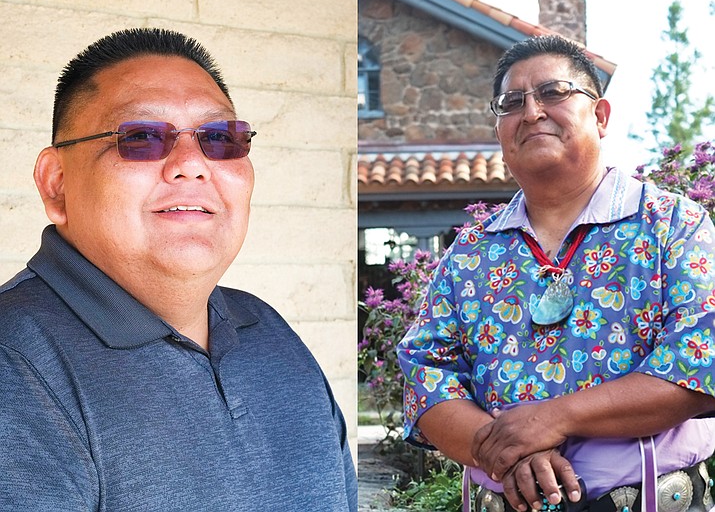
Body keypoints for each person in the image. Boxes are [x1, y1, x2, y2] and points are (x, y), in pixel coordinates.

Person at [0, 28, 356, 511]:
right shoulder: (16, 365)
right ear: (57, 184)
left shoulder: (269, 332)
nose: (192, 165)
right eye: (142, 137)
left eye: (220, 138)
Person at [397, 35, 715, 512]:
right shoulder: (471, 251)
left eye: (553, 92)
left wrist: (552, 418)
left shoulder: (673, 225)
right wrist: (506, 450)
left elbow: (700, 363)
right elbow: (426, 377)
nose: (531, 112)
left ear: (601, 115)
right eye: (511, 102)